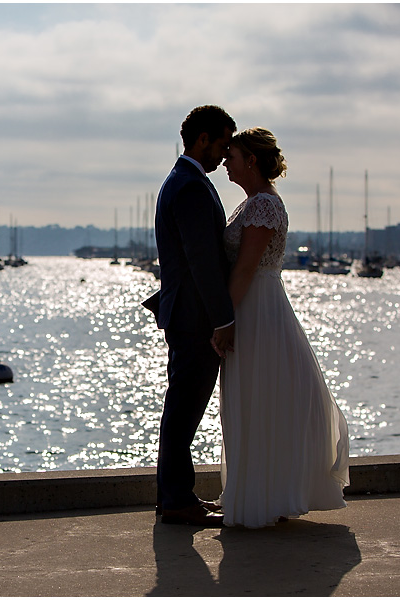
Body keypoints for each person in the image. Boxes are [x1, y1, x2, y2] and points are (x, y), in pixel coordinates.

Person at [217, 127, 350, 528]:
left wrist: (224, 321)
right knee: (256, 400)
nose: (226, 162)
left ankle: (265, 496)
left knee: (261, 398)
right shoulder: (253, 203)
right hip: (258, 304)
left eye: (233, 156)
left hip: (257, 307)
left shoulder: (262, 206)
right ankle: (261, 493)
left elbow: (245, 268)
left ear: (251, 161)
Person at [152, 105, 236, 526]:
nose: (224, 155)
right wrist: (224, 320)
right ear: (201, 139)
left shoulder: (184, 182)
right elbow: (202, 261)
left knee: (182, 407)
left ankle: (174, 495)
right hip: (194, 317)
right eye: (221, 144)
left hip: (186, 312)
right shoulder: (188, 186)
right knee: (184, 408)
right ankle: (176, 499)